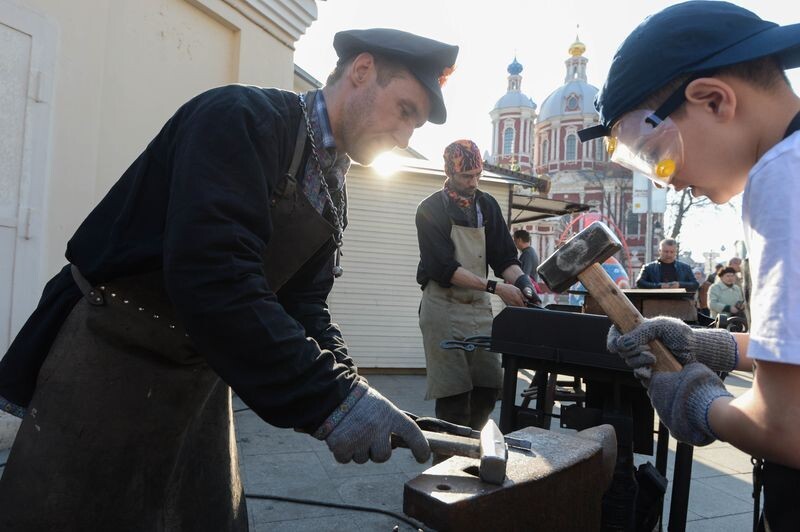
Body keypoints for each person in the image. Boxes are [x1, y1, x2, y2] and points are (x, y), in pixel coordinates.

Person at [0, 28, 458, 530]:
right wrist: (331, 399)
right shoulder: (241, 119)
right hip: (113, 353)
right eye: (405, 111)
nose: (405, 137)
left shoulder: (331, 186)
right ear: (362, 71)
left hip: (198, 379)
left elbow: (304, 308)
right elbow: (214, 276)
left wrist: (356, 390)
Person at [578, 2, 800, 529]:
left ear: (714, 100)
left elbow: (788, 427)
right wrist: (712, 345)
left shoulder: (783, 176)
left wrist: (699, 402)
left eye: (655, 154)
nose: (665, 181)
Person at [415, 139, 538, 438]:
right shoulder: (430, 210)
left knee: (487, 388)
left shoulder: (487, 205)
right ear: (449, 172)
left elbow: (505, 257)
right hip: (443, 307)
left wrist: (522, 282)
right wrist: (497, 288)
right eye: (466, 176)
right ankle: (446, 468)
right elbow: (444, 269)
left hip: (478, 309)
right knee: (454, 398)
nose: (473, 182)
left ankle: (473, 453)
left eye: (477, 175)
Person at [635, 237, 700, 291]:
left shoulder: (685, 268)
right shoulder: (648, 267)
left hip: (680, 302)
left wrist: (680, 285)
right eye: (666, 251)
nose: (669, 254)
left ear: (675, 252)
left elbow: (695, 284)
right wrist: (659, 286)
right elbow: (639, 283)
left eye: (672, 252)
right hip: (655, 301)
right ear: (660, 251)